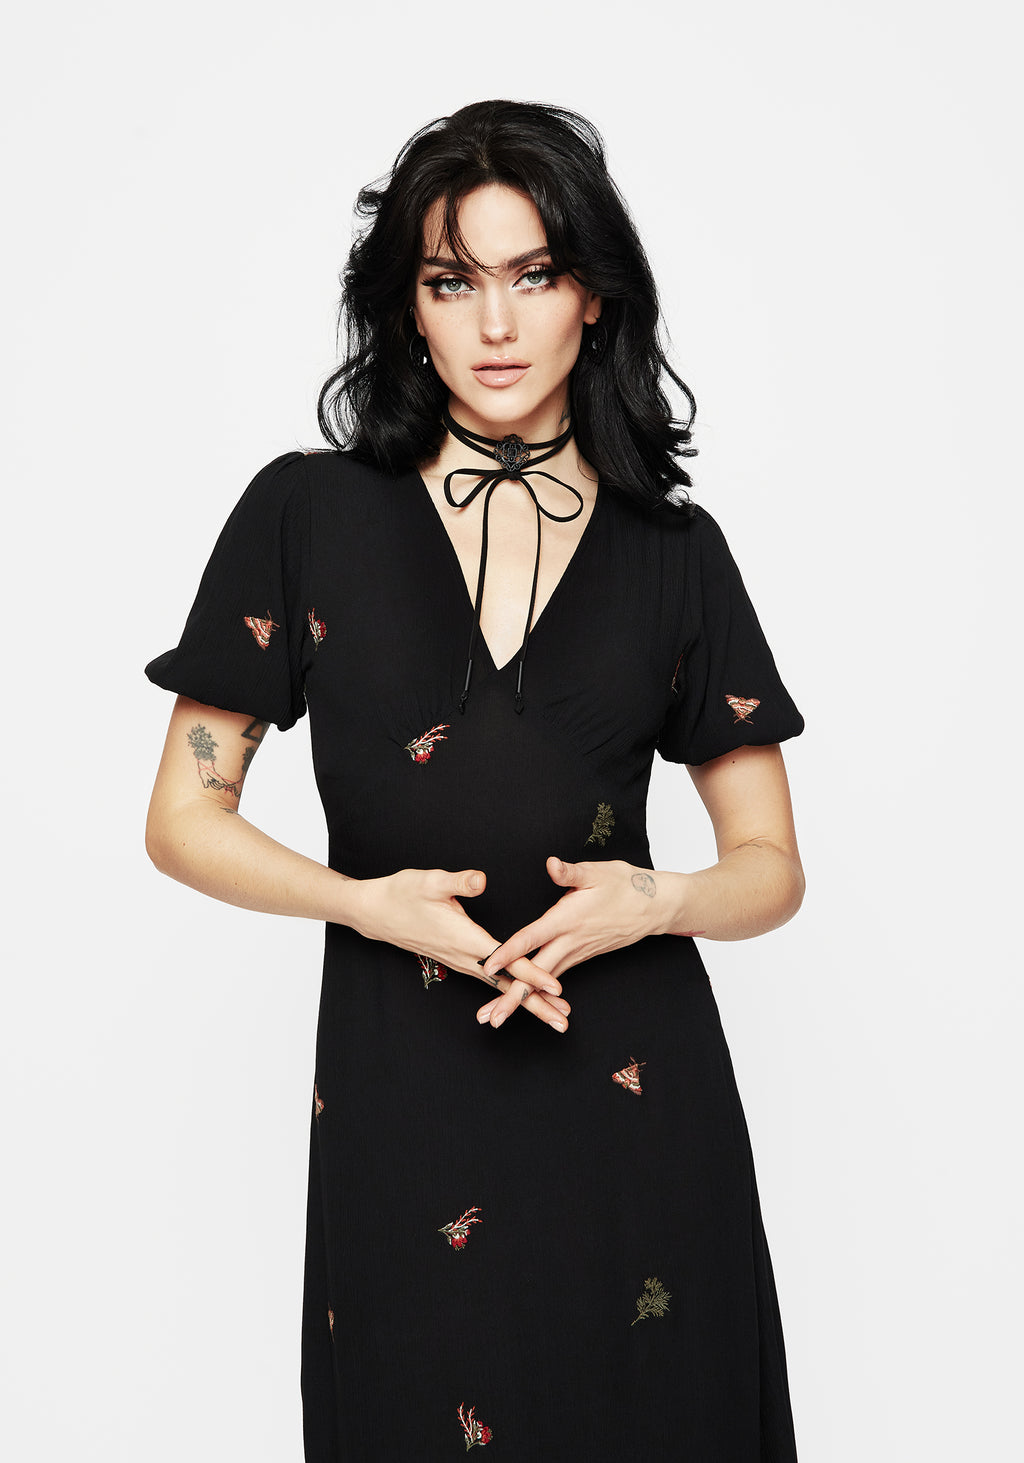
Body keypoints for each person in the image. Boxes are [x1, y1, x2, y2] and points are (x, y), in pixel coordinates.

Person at [146, 99, 806, 1462]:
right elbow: (182, 819)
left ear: (595, 299)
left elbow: (771, 869)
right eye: (453, 282)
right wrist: (365, 904)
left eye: (534, 275)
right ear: (408, 308)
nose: (496, 325)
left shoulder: (674, 548)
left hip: (636, 1095)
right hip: (406, 1090)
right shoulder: (307, 511)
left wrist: (657, 901)